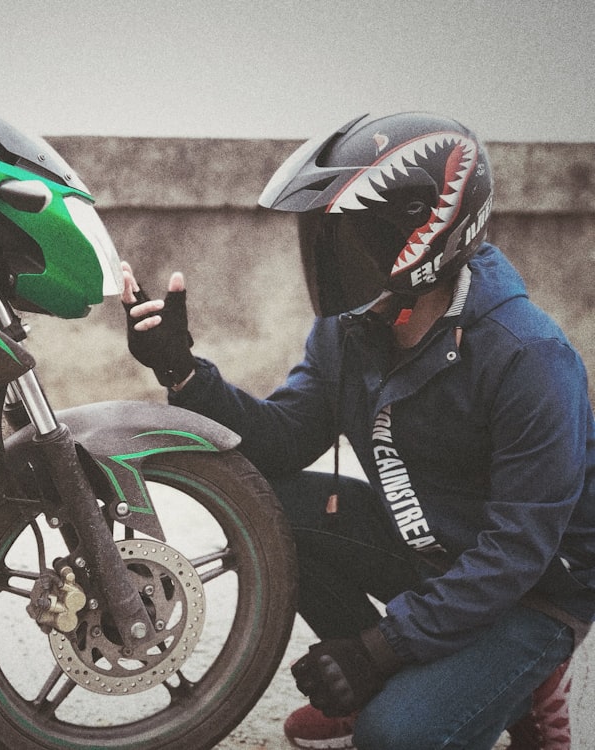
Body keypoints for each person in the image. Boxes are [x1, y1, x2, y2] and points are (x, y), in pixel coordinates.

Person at [121, 111, 595, 749]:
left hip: (532, 591)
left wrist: (375, 650)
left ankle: (526, 687)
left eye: (346, 241)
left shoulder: (529, 356)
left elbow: (515, 553)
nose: (327, 259)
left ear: (429, 239)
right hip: (427, 544)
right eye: (320, 240)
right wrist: (183, 373)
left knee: (392, 739)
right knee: (271, 506)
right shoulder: (352, 329)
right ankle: (409, 683)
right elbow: (283, 439)